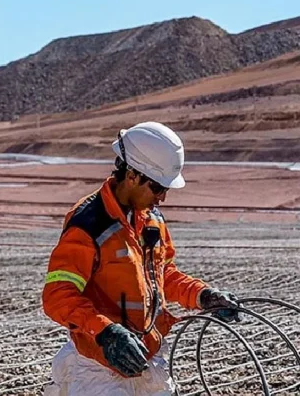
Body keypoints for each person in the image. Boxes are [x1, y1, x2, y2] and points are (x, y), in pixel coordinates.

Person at [41, 121, 241, 395]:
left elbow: (164, 276)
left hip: (148, 359)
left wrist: (203, 295)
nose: (163, 198)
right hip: (98, 370)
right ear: (133, 175)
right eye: (158, 188)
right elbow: (57, 296)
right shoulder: (89, 224)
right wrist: (106, 332)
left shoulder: (152, 221)